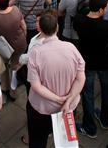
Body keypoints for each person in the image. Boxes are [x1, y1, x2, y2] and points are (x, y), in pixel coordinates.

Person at [26, 10, 86, 148]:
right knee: (64, 140)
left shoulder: (36, 53)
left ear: (39, 28)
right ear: (57, 28)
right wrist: (68, 99)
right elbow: (80, 78)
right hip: (68, 107)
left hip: (42, 109)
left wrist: (58, 99)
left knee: (37, 141)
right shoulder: (71, 48)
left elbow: (36, 86)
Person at [74, 0, 108, 137]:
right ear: (101, 10)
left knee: (87, 95)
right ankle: (105, 119)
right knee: (107, 91)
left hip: (87, 62)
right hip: (104, 63)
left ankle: (89, 126)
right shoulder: (107, 25)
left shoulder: (80, 21)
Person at [0, 0, 27, 100]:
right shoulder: (16, 10)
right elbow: (24, 26)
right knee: (14, 68)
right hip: (18, 44)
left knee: (4, 66)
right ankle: (13, 92)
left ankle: (4, 87)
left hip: (3, 47)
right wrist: (24, 36)